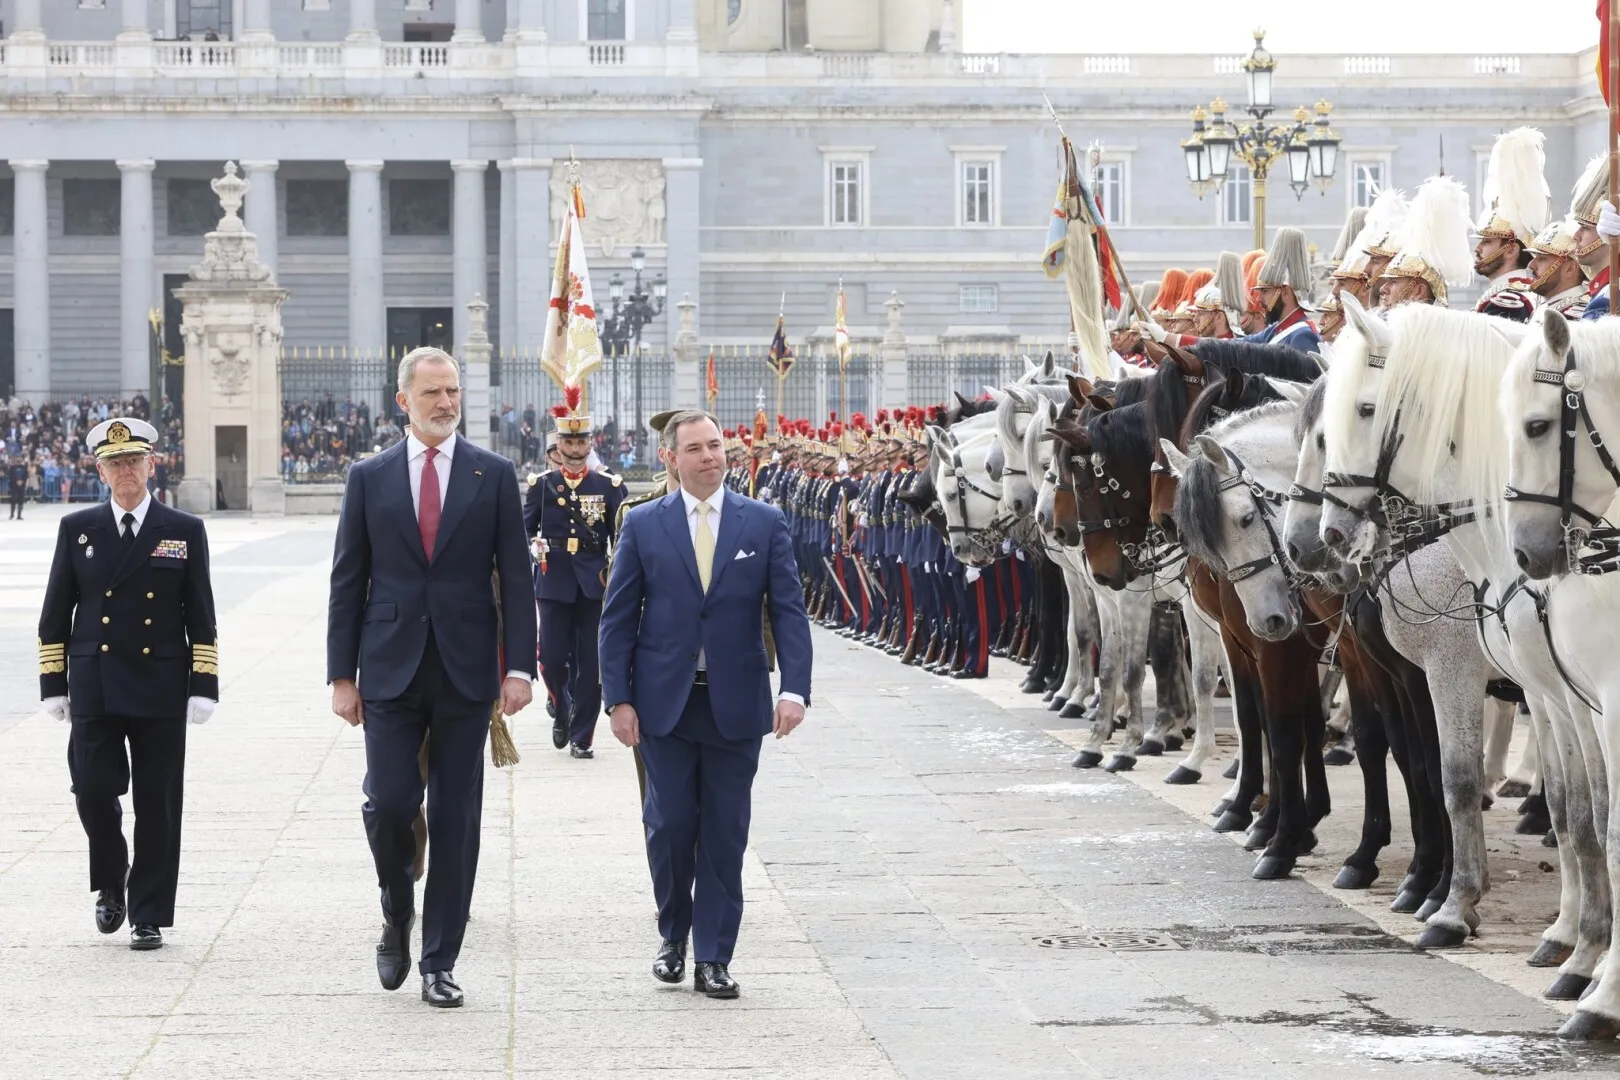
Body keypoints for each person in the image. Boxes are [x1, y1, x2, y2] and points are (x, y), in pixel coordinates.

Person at [326, 346, 537, 1009]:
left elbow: (518, 578)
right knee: (390, 804)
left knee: (457, 818)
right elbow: (347, 579)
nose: (446, 403)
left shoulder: (494, 473)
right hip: (388, 666)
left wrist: (521, 666)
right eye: (433, 394)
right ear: (403, 402)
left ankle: (439, 960)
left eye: (453, 391)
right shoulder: (370, 476)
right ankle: (397, 909)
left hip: (466, 668)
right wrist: (341, 675)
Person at [600, 409, 812, 1000]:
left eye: (716, 445)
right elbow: (617, 618)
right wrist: (617, 697)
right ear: (672, 458)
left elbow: (790, 612)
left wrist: (794, 689)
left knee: (724, 832)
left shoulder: (763, 522)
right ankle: (673, 935)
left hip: (736, 705)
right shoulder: (644, 524)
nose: (710, 457)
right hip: (663, 705)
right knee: (669, 826)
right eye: (695, 448)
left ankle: (714, 956)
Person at [37, 417, 219, 951]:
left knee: (159, 801)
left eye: (134, 461)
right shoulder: (79, 529)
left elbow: (201, 613)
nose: (125, 471)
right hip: (95, 679)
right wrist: (53, 680)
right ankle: (112, 877)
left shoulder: (183, 529)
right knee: (92, 790)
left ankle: (148, 912)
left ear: (151, 465)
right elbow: (56, 610)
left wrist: (203, 681)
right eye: (115, 463)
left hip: (160, 679)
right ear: (100, 469)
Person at [525, 401, 624, 758]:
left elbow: (621, 537)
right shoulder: (541, 485)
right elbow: (524, 529)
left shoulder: (609, 485)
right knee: (551, 658)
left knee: (591, 663)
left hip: (593, 582)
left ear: (590, 443)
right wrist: (533, 548)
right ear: (559, 445)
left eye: (582, 441)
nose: (576, 448)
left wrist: (619, 580)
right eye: (569, 442)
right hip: (553, 580)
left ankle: (582, 735)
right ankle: (561, 702)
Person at [1472, 127, 1547, 323]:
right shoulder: (1506, 291)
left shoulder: (1509, 299)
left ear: (1510, 250)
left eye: (1487, 242)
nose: (1477, 248)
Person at [7, 453, 25, 519]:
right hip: (14, 486)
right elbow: (10, 476)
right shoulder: (12, 468)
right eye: (18, 460)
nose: (19, 461)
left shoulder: (24, 467)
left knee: (21, 500)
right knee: (13, 500)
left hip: (22, 486)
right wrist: (16, 481)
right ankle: (12, 514)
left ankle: (19, 515)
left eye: (20, 460)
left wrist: (22, 481)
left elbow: (26, 476)